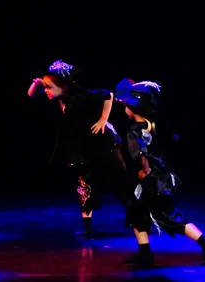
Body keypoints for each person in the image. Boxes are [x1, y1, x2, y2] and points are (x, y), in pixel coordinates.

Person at [114, 79, 205, 268]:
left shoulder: (135, 131)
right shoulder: (151, 125)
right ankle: (144, 253)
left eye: (126, 106)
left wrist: (144, 170)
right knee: (137, 212)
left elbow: (141, 152)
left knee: (166, 216)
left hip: (153, 179)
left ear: (132, 109)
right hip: (160, 176)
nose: (124, 109)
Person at [27, 59, 130, 238]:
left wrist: (103, 120)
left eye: (49, 87)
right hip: (83, 148)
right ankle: (88, 228)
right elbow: (31, 95)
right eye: (45, 87)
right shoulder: (58, 97)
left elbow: (108, 95)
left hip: (103, 144)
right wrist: (37, 83)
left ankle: (138, 217)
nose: (46, 91)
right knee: (84, 185)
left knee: (119, 181)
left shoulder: (81, 96)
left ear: (64, 86)